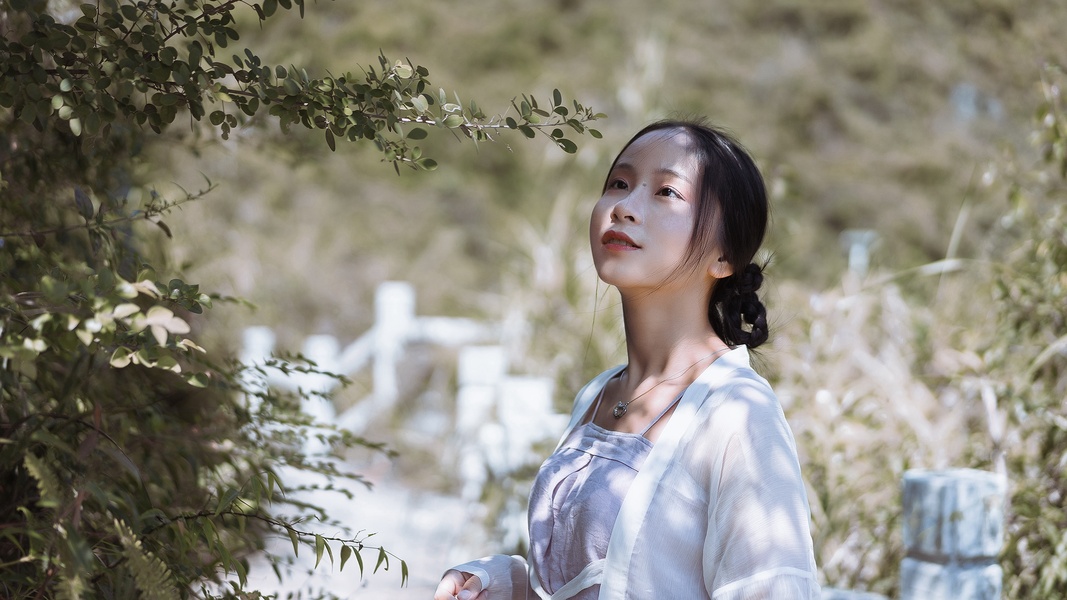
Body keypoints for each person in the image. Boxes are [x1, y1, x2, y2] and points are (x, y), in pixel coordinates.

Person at [434, 120, 820, 599]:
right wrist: (498, 582)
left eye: (666, 191)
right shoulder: (598, 396)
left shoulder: (737, 412)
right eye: (619, 183)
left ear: (723, 257)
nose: (624, 207)